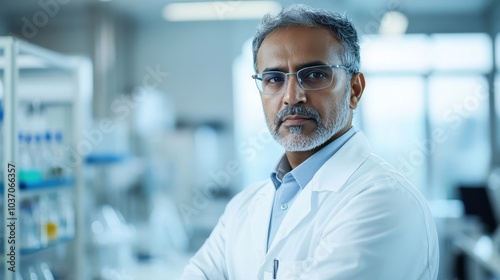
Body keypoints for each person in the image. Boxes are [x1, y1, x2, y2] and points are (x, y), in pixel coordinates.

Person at [183, 4, 439, 280]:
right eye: (273, 79)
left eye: (315, 74)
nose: (292, 97)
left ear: (354, 90)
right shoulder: (243, 207)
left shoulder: (384, 200)